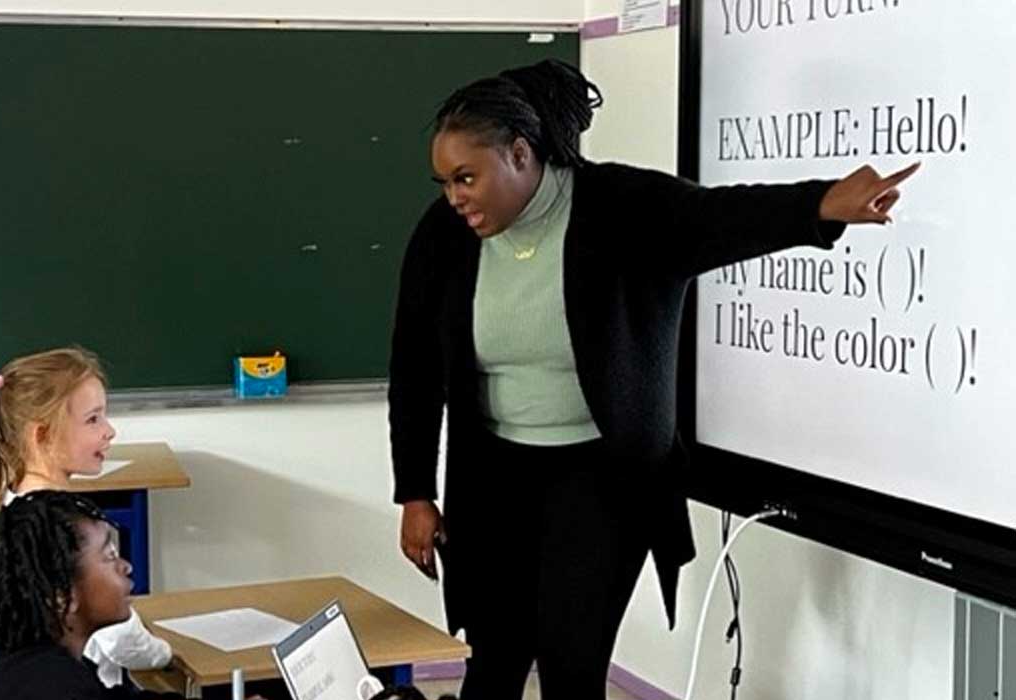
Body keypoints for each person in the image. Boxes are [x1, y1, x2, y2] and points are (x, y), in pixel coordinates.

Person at [387, 59, 917, 700]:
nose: (454, 197)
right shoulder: (442, 237)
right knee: (495, 655)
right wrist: (415, 491)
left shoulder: (622, 208)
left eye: (466, 178)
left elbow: (722, 217)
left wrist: (821, 204)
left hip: (602, 475)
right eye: (444, 182)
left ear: (521, 154)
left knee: (571, 662)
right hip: (494, 474)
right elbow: (413, 367)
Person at [0, 347, 171, 688]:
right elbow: (122, 640)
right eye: (93, 419)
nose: (109, 431)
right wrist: (165, 654)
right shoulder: (59, 533)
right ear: (42, 435)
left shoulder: (0, 504)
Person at [0, 490, 180, 700]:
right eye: (110, 556)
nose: (126, 567)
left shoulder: (3, 653)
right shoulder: (58, 687)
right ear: (62, 596)